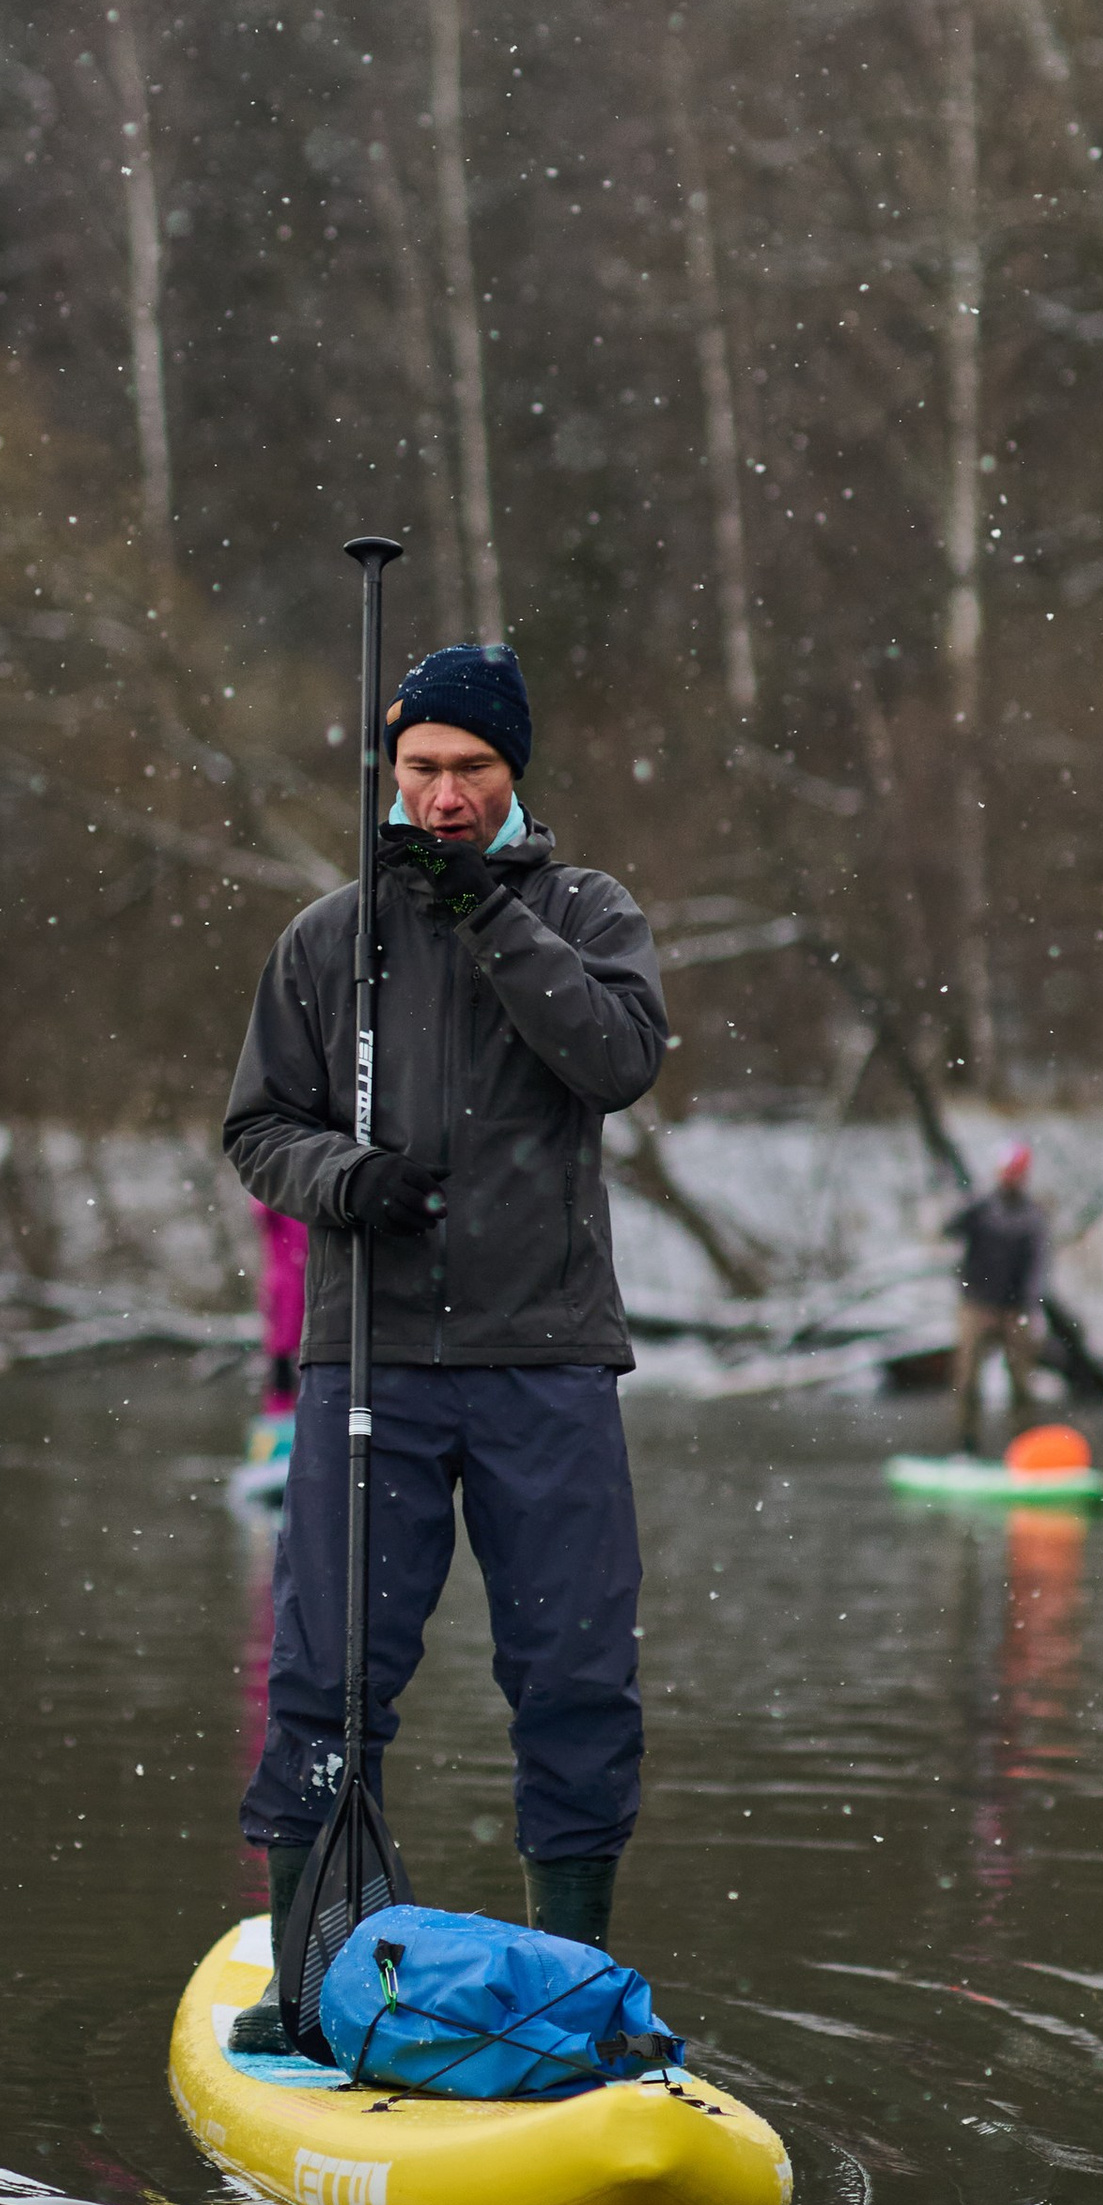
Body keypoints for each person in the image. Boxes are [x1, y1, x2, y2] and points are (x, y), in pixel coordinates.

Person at [221, 635, 668, 2049]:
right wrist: (340, 1183)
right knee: (328, 1681)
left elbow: (616, 1059)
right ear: (389, 772)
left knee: (578, 1680)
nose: (444, 794)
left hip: (547, 1357)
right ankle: (303, 1986)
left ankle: (573, 1994)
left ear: (512, 775)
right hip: (372, 1365)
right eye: (421, 770)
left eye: (471, 770)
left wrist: (487, 913)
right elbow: (257, 1130)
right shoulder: (327, 938)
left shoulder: (589, 911)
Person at [946, 1142, 1049, 1454]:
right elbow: (947, 1230)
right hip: (976, 1307)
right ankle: (966, 1447)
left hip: (1014, 1310)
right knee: (967, 1383)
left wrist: (1028, 1307)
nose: (1011, 1178)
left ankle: (1023, 1450)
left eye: (1017, 1173)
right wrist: (966, 1206)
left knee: (1021, 1385)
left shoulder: (1032, 1217)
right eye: (1008, 1173)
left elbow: (1038, 1266)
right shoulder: (980, 1210)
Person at [249, 1199, 307, 1415]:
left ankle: (300, 1414)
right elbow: (261, 1205)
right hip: (284, 1294)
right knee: (281, 1360)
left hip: (312, 1290)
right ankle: (278, 1418)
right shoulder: (280, 1198)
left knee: (307, 1361)